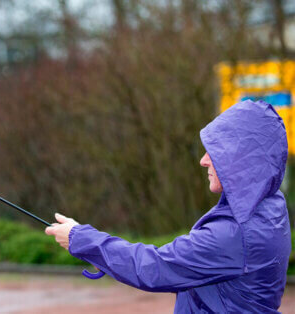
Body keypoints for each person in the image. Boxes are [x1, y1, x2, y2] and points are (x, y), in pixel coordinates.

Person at [45, 100, 291, 313]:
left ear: (240, 159)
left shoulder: (235, 234)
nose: (203, 161)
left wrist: (81, 239)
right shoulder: (269, 205)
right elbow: (189, 267)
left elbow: (155, 267)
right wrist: (104, 257)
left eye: (215, 153)